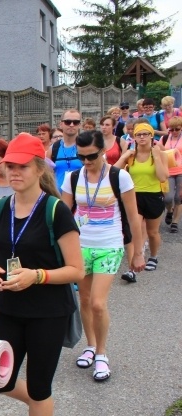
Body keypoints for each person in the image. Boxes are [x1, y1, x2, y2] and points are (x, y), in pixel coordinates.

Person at [0, 133, 84, 416]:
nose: (13, 172)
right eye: (9, 166)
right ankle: (42, 405)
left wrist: (36, 276)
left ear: (39, 168)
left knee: (39, 386)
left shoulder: (56, 210)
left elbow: (76, 270)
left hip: (48, 310)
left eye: (21, 166)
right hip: (9, 305)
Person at [60, 131, 144, 382]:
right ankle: (90, 344)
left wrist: (138, 252)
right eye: (81, 157)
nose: (86, 162)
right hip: (80, 245)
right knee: (83, 300)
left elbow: (133, 217)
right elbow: (63, 214)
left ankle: (102, 353)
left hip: (109, 244)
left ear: (103, 151)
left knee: (98, 302)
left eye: (92, 156)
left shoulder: (120, 177)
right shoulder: (72, 178)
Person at [114, 122, 168, 274]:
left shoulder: (160, 154)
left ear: (151, 136)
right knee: (135, 228)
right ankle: (136, 260)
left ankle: (154, 256)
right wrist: (124, 155)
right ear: (135, 137)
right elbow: (114, 171)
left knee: (152, 232)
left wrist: (156, 156)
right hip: (134, 196)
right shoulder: (131, 156)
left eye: (145, 134)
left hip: (154, 196)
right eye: (139, 134)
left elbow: (162, 177)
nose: (142, 137)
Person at [50, 109, 83, 189]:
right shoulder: (53, 148)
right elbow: (46, 176)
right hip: (58, 198)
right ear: (61, 124)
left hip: (80, 198)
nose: (71, 125)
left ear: (80, 125)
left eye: (75, 122)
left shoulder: (86, 146)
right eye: (68, 122)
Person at [160, 116, 182, 232]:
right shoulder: (164, 138)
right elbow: (160, 152)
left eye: (177, 129)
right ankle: (169, 211)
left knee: (179, 197)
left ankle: (175, 222)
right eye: (171, 129)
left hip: (181, 171)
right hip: (168, 171)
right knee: (168, 198)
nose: (174, 132)